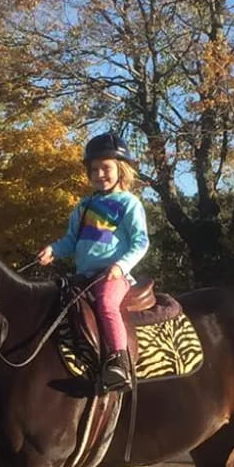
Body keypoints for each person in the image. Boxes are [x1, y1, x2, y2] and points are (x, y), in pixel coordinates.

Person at [38, 132, 149, 393]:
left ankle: (118, 362)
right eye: (94, 168)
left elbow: (140, 242)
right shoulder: (84, 206)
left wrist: (120, 265)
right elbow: (71, 241)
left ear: (121, 169)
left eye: (106, 168)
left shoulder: (129, 204)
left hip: (112, 276)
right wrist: (53, 250)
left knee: (107, 304)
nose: (99, 174)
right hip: (84, 276)